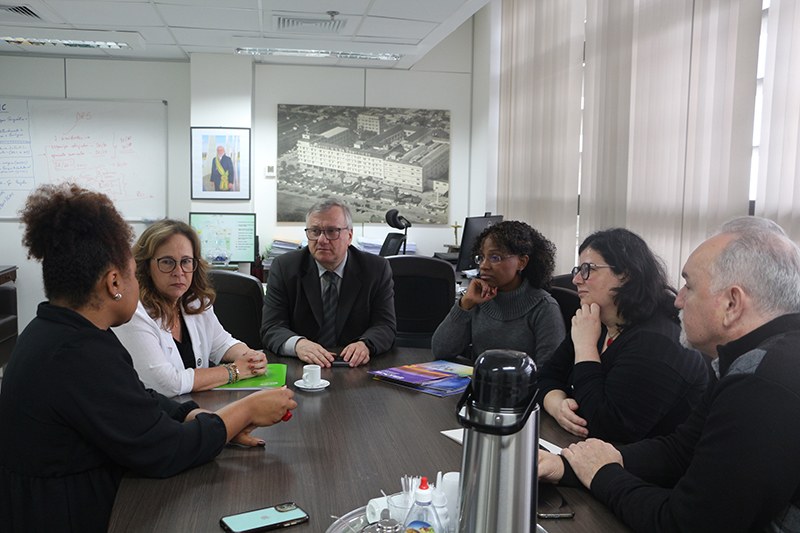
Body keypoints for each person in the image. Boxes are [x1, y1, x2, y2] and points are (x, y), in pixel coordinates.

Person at [0, 184, 296, 533]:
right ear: (114, 283)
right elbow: (164, 451)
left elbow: (139, 399)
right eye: (133, 274)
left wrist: (195, 415)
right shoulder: (77, 354)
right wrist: (244, 411)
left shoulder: (60, 332)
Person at [539, 217, 800, 533]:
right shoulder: (748, 360)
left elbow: (686, 524)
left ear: (732, 303)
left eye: (690, 286)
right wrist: (568, 466)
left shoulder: (761, 383)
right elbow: (680, 451)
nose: (678, 299)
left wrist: (601, 474)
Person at [536, 228, 708, 443]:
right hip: (580, 448)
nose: (577, 279)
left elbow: (607, 428)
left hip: (641, 462)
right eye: (578, 270)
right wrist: (558, 406)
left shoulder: (657, 342)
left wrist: (585, 348)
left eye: (589, 269)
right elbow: (544, 377)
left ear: (626, 275)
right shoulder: (595, 320)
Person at [114, 219, 267, 398]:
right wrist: (234, 371)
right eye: (167, 262)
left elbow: (222, 344)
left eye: (186, 261)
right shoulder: (133, 311)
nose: (179, 271)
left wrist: (251, 357)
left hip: (193, 406)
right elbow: (166, 383)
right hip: (151, 411)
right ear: (147, 267)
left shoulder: (194, 302)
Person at [261, 198, 396, 367]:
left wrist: (365, 344)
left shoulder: (376, 269)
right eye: (315, 231)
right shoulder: (285, 267)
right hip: (303, 366)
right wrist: (298, 344)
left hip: (354, 366)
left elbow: (385, 325)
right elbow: (271, 326)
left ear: (349, 236)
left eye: (332, 231)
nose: (322, 240)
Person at [431, 220, 565, 365]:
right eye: (481, 257)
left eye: (495, 258)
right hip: (479, 379)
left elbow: (549, 371)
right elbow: (441, 350)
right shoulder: (478, 299)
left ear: (521, 262)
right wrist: (465, 304)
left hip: (523, 380)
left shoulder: (544, 308)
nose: (484, 266)